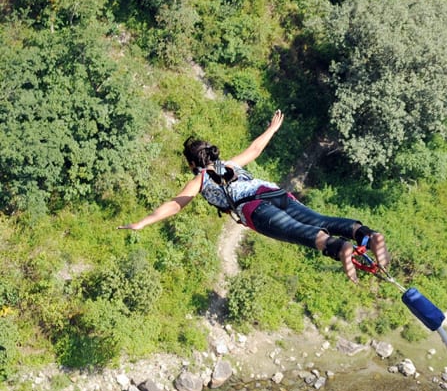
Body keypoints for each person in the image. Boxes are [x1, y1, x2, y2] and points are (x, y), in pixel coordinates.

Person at [118, 110, 389, 283]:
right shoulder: (231, 165)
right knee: (321, 219)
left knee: (299, 232)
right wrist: (271, 128)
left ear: (193, 164)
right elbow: (256, 148)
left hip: (254, 208)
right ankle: (365, 234)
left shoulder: (200, 179)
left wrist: (143, 222)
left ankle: (340, 248)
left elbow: (176, 204)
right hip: (274, 192)